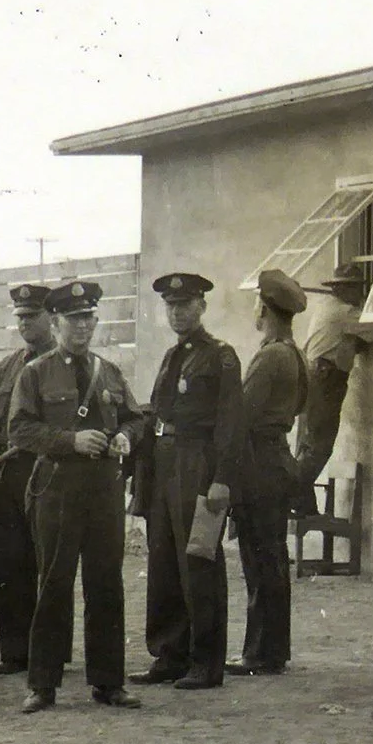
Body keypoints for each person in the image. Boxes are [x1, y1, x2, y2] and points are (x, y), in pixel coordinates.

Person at [7, 281, 145, 713]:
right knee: (53, 583)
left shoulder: (109, 371)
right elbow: (20, 429)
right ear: (57, 322)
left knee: (106, 584)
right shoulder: (36, 373)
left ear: (96, 321)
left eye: (88, 317)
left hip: (104, 489)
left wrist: (124, 436)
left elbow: (135, 418)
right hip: (58, 488)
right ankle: (42, 684)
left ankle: (108, 682)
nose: (81, 326)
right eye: (72, 318)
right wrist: (71, 440)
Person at [129, 272, 245, 691]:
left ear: (202, 307)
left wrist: (222, 480)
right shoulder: (171, 356)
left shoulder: (220, 356)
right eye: (171, 306)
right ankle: (169, 655)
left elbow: (231, 423)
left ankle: (206, 662)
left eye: (185, 304)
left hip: (198, 463)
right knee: (163, 560)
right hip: (164, 462)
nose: (177, 312)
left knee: (198, 561)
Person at [230, 270, 308, 676]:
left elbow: (242, 415)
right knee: (272, 559)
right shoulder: (293, 352)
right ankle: (272, 650)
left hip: (259, 464)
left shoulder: (271, 355)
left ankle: (260, 652)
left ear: (264, 308)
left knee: (260, 561)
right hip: (276, 459)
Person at [0, 283, 54, 675]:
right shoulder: (6, 368)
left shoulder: (63, 364)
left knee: (48, 563)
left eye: (32, 316)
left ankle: (49, 651)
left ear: (51, 317)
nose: (25, 323)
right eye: (20, 316)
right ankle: (14, 650)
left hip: (45, 472)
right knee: (8, 562)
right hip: (6, 474)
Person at [294, 263, 373, 507]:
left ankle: (301, 499)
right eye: (354, 288)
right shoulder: (345, 312)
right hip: (326, 379)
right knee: (320, 446)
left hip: (313, 375)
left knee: (307, 445)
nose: (359, 293)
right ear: (341, 289)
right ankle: (291, 494)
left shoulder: (326, 307)